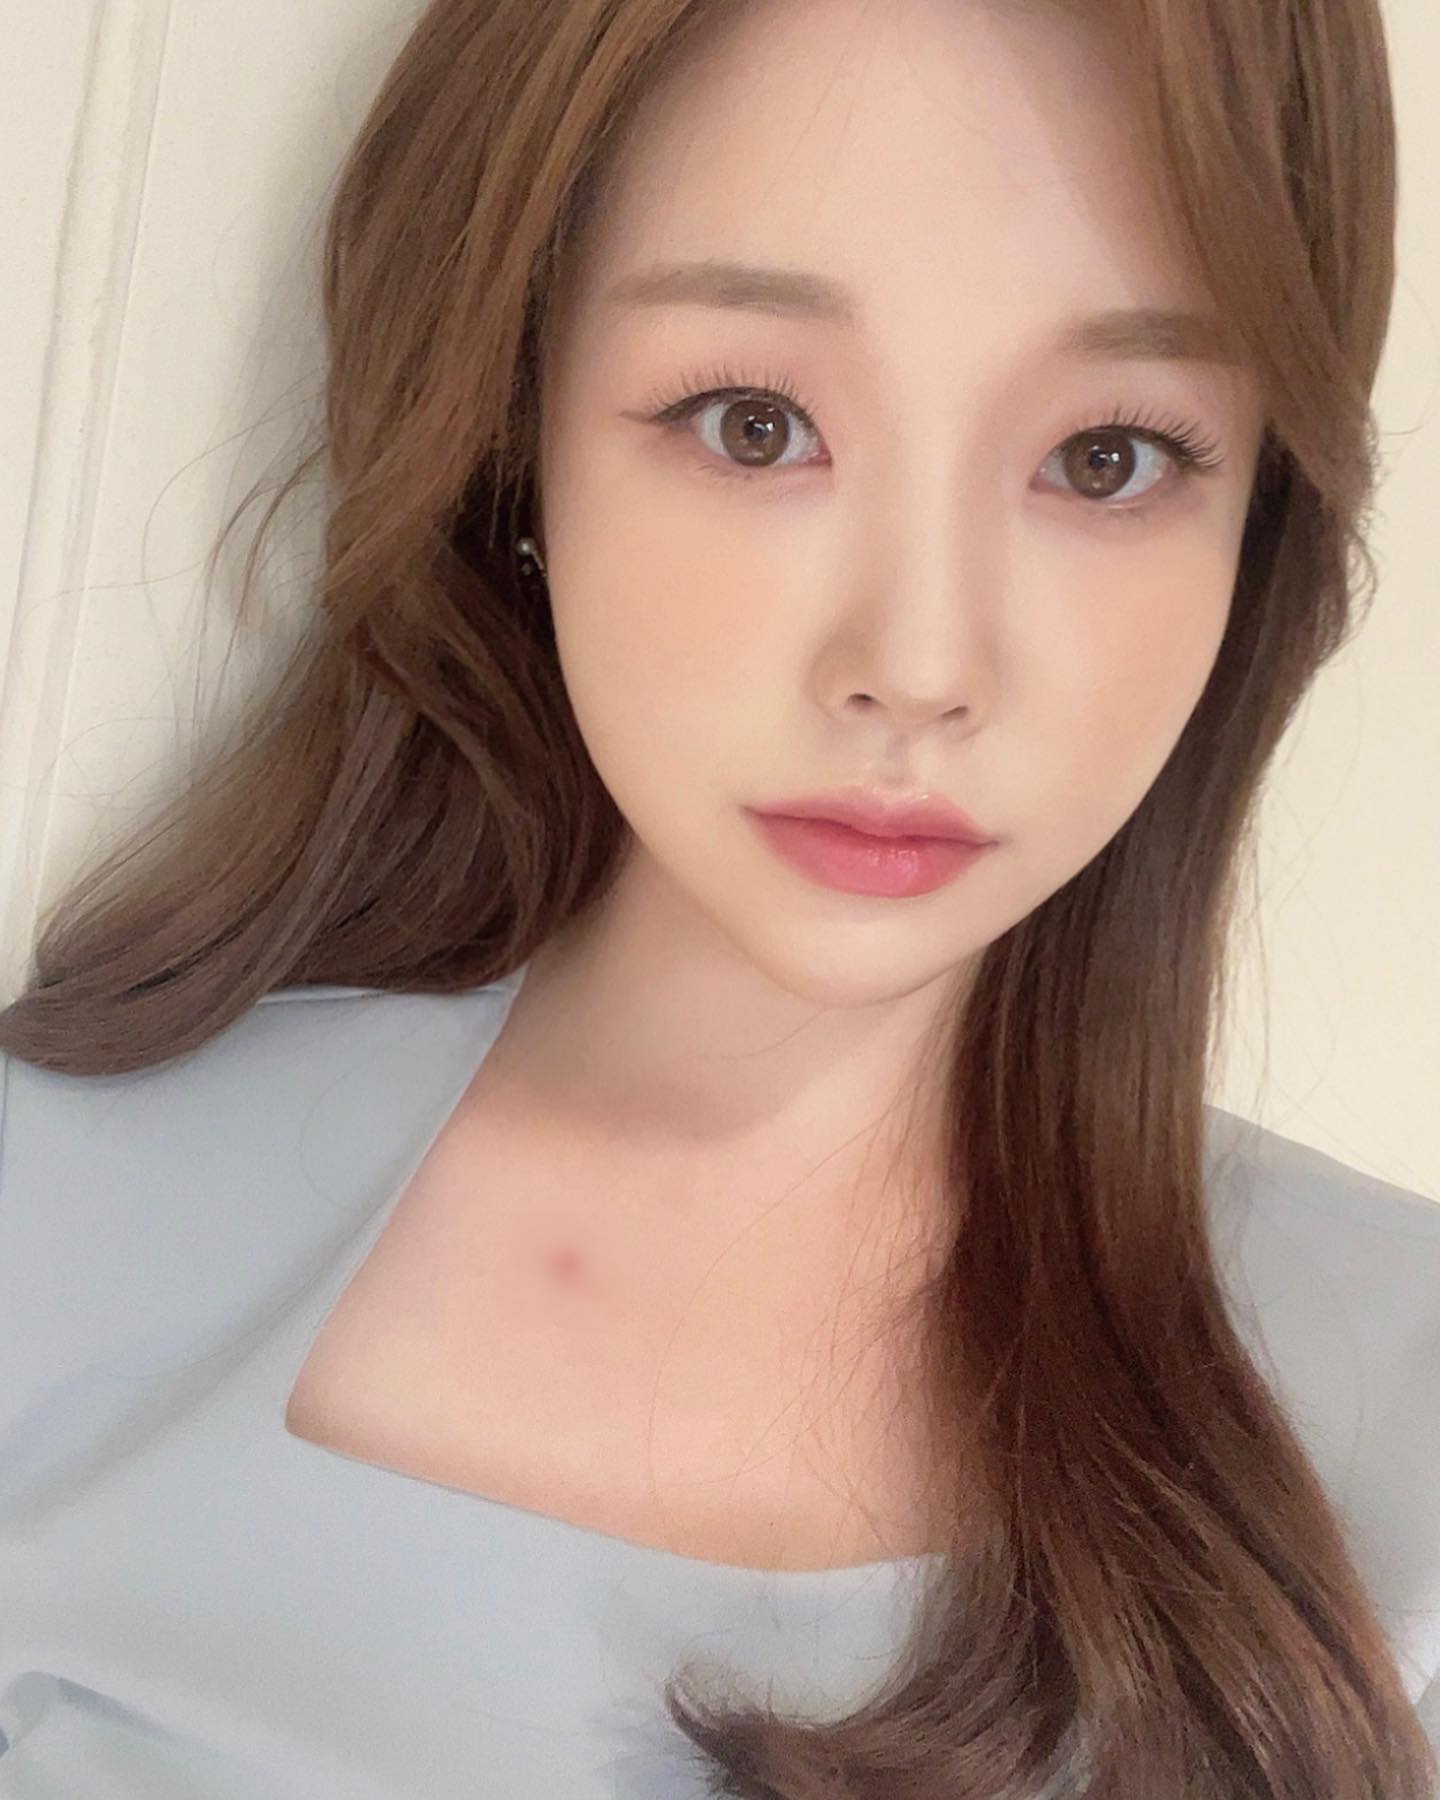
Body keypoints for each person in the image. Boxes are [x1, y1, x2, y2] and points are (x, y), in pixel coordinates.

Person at [0, 0, 1435, 1793]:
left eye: (1107, 457)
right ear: (516, 430)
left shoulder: (1405, 1399)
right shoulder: (47, 1221)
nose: (920, 663)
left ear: (1261, 520)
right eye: (756, 425)